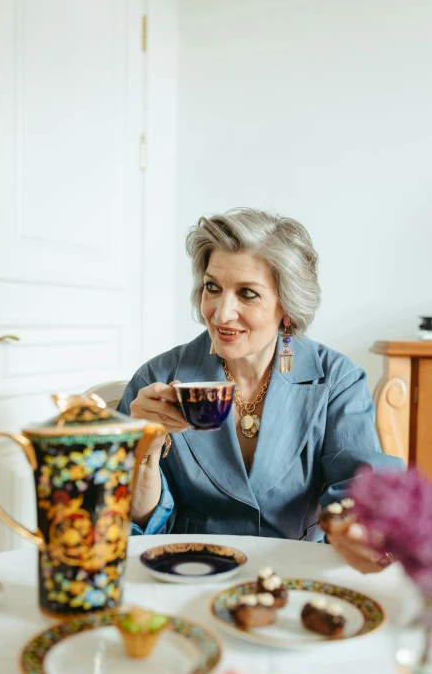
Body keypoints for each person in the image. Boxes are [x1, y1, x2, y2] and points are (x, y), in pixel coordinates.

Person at [118, 208, 403, 574]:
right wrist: (147, 448)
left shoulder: (337, 380)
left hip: (295, 575)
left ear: (287, 307)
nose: (221, 314)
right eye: (212, 288)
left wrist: (363, 527)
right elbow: (127, 525)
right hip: (185, 571)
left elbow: (362, 488)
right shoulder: (155, 378)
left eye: (247, 294)